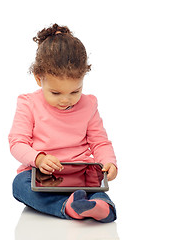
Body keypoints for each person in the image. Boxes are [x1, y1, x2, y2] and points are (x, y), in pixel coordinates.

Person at [9, 23, 118, 223]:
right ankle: (69, 207)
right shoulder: (28, 103)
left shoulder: (89, 104)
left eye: (75, 91)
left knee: (94, 190)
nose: (66, 100)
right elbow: (17, 143)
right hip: (41, 175)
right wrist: (39, 159)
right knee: (19, 184)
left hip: (80, 174)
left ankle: (100, 207)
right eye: (56, 93)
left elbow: (100, 142)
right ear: (38, 78)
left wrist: (109, 163)